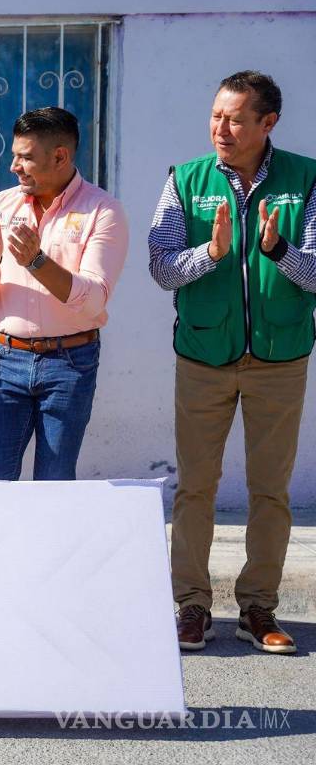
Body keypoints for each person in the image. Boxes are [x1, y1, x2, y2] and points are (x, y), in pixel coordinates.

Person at [150, 71, 314, 655]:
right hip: (203, 353)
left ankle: (258, 609)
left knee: (270, 490)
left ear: (268, 123)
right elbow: (162, 267)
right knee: (196, 486)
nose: (222, 127)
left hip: (280, 356)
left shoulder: (307, 178)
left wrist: (278, 251)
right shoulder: (185, 180)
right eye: (217, 115)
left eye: (236, 118)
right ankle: (192, 607)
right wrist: (211, 253)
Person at [0, 107, 129, 481]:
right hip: (5, 360)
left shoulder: (103, 210)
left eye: (25, 157)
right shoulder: (1, 205)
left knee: (55, 486)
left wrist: (36, 261)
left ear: (60, 156)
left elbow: (94, 297)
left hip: (70, 363)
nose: (14, 166)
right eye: (14, 155)